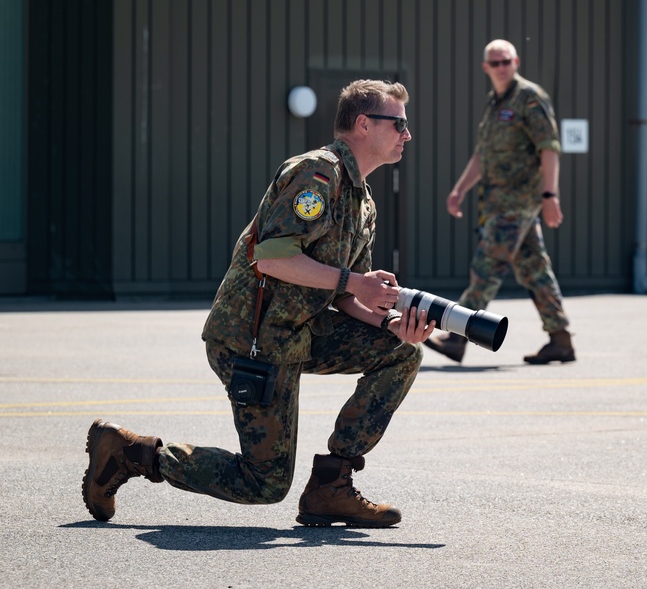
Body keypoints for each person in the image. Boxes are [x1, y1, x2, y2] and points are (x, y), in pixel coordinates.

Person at [82, 79, 436, 528]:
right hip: (253, 338)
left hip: (301, 331)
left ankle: (332, 485)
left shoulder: (362, 200)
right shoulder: (317, 173)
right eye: (399, 123)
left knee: (402, 351)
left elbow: (346, 296)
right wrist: (355, 282)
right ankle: (131, 453)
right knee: (264, 483)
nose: (407, 134)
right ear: (363, 124)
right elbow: (272, 257)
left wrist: (387, 323)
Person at [424, 39, 575, 366]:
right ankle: (560, 339)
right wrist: (459, 190)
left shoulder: (530, 98)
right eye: (495, 63)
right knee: (536, 271)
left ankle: (456, 335)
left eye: (506, 61)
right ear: (486, 68)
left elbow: (549, 147)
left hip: (518, 203)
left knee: (486, 267)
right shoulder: (494, 103)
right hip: (500, 204)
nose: (502, 67)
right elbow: (483, 156)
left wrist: (550, 195)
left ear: (516, 61)